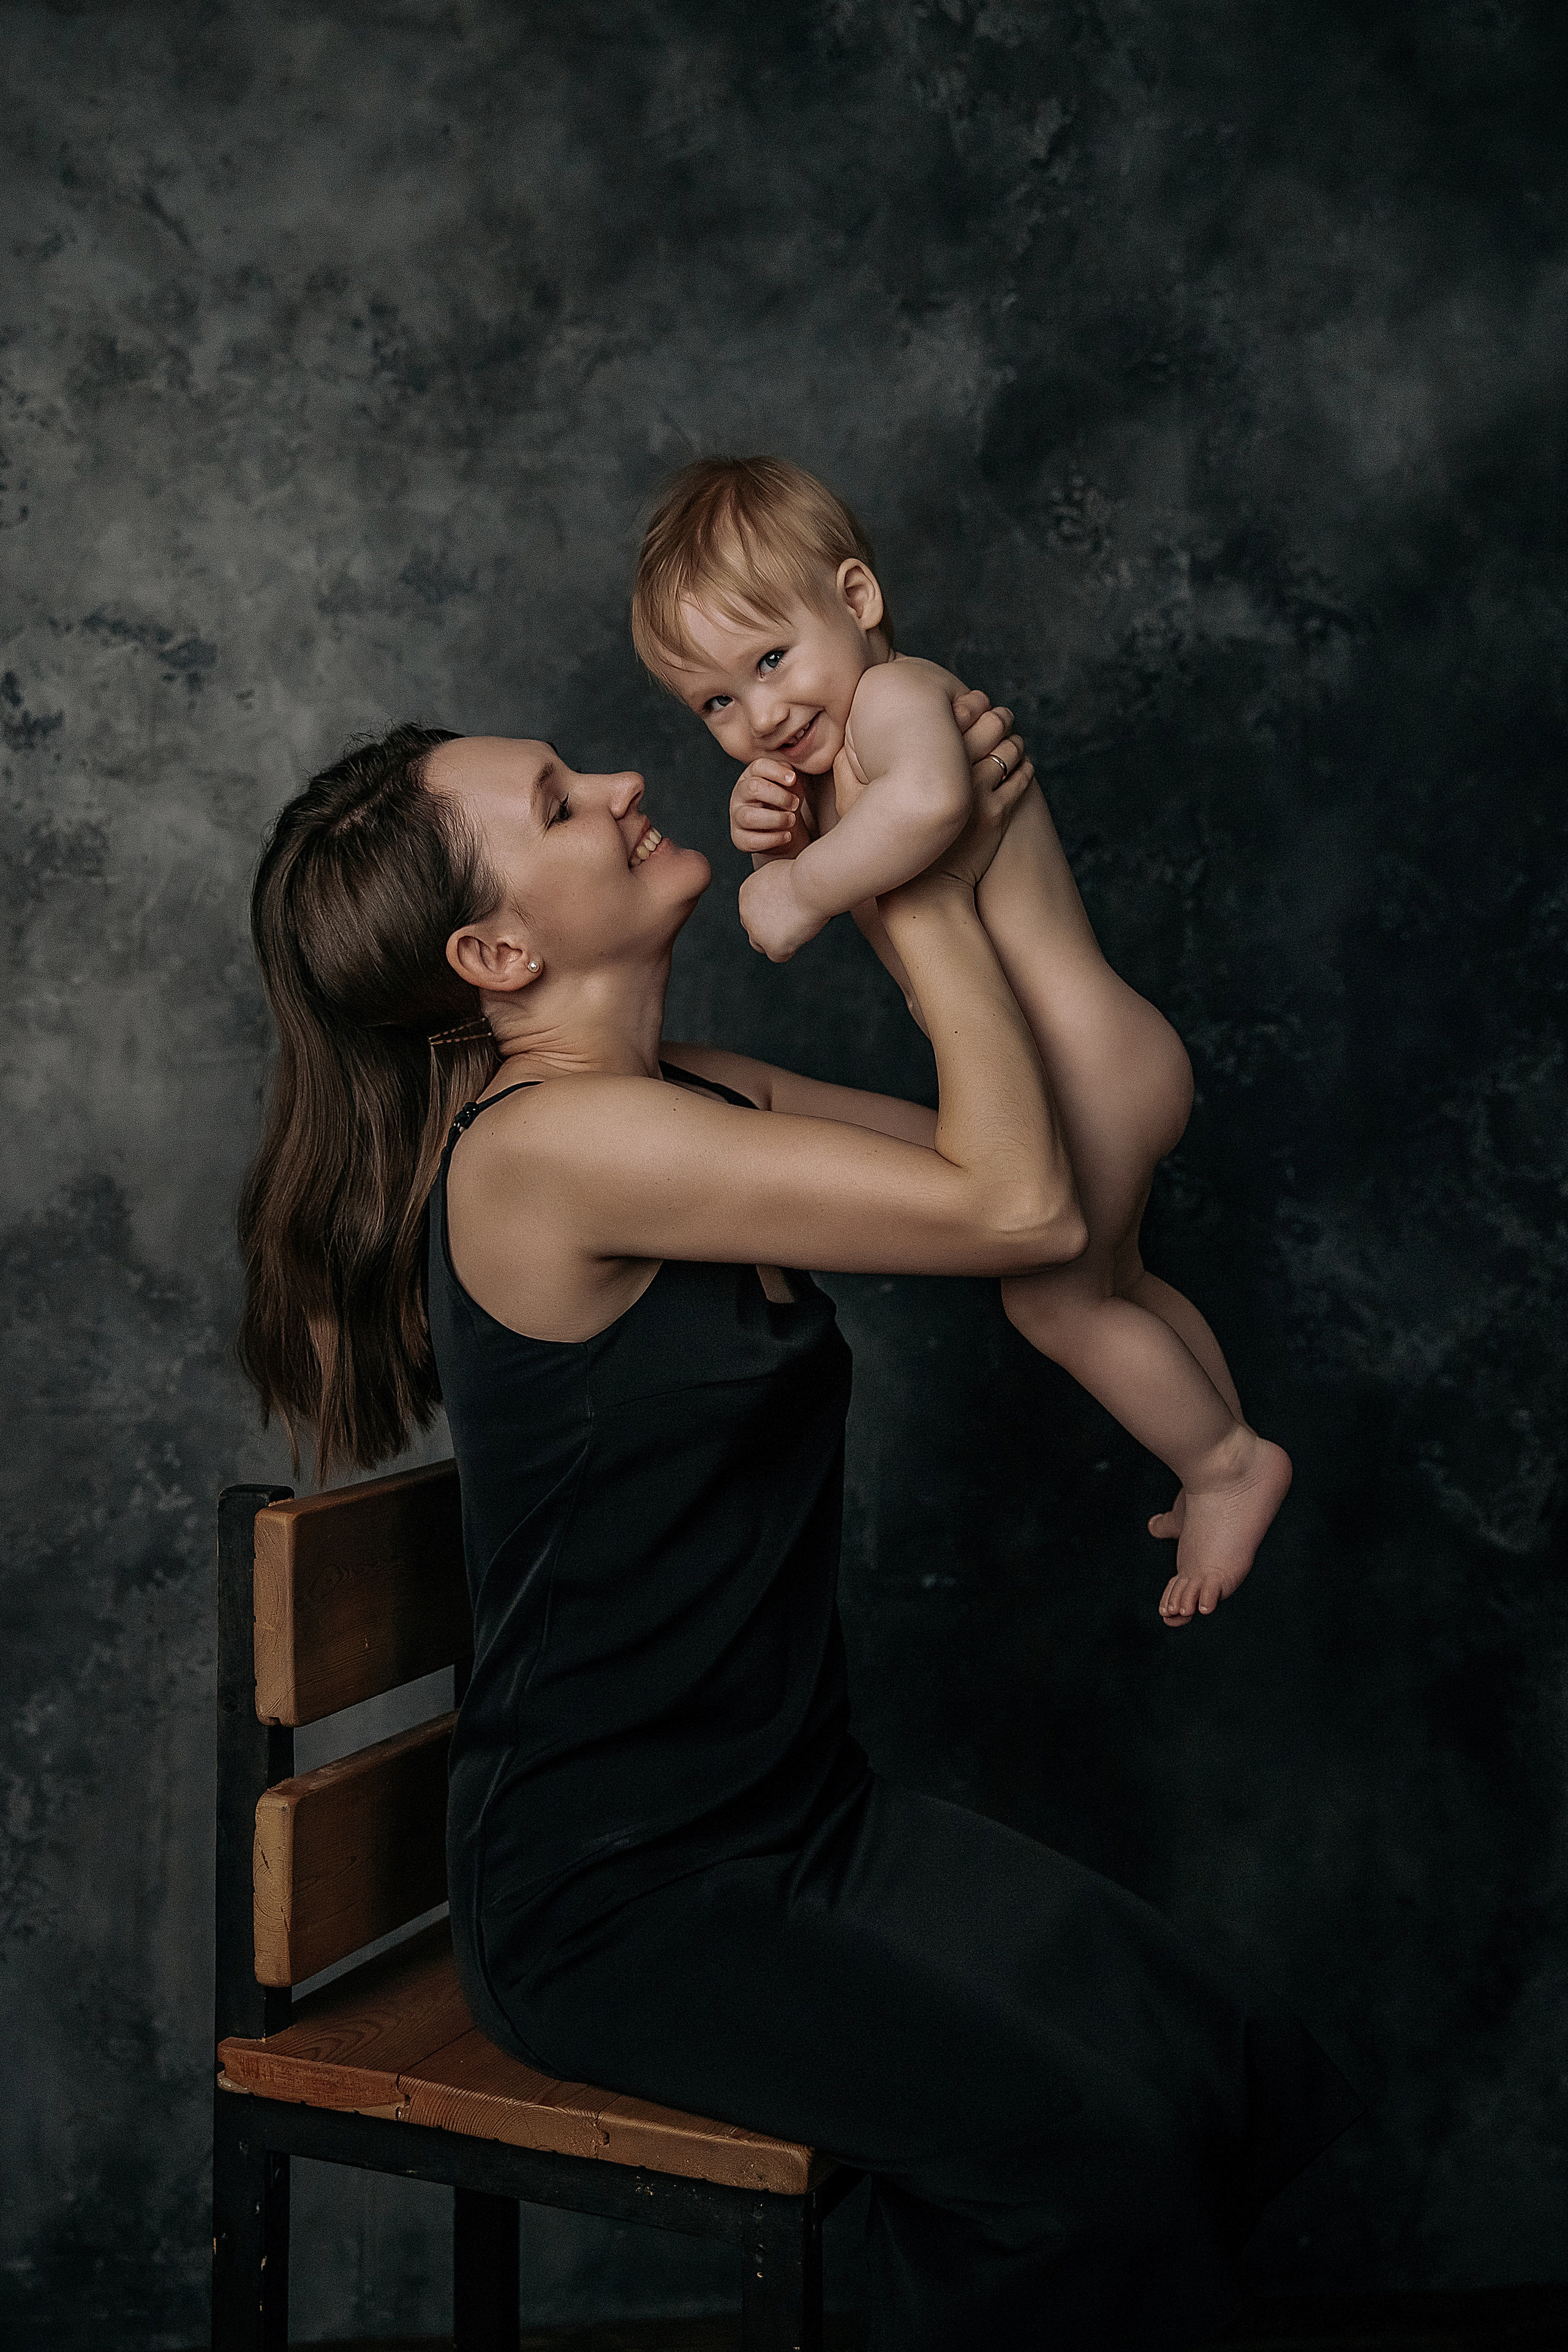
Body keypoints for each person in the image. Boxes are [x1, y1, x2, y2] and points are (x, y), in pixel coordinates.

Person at [238, 718, 1358, 2351]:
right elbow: (1016, 1210)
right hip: (622, 1905)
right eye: (561, 804)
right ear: (496, 951)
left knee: (1208, 2055)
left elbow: (1071, 1187)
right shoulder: (547, 1157)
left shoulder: (700, 1102)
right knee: (1080, 2168)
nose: (623, 785)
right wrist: (905, 897)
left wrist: (984, 855)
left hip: (794, 1824)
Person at [631, 456, 1293, 1628]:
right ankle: (1220, 1447)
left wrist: (804, 888)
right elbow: (878, 825)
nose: (762, 716)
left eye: (772, 659)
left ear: (860, 598)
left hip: (1086, 1068)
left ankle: (1226, 1464)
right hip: (1098, 1062)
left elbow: (931, 808)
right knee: (1119, 1283)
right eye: (718, 705)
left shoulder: (897, 703)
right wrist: (775, 829)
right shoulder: (834, 747)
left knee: (1050, 1304)